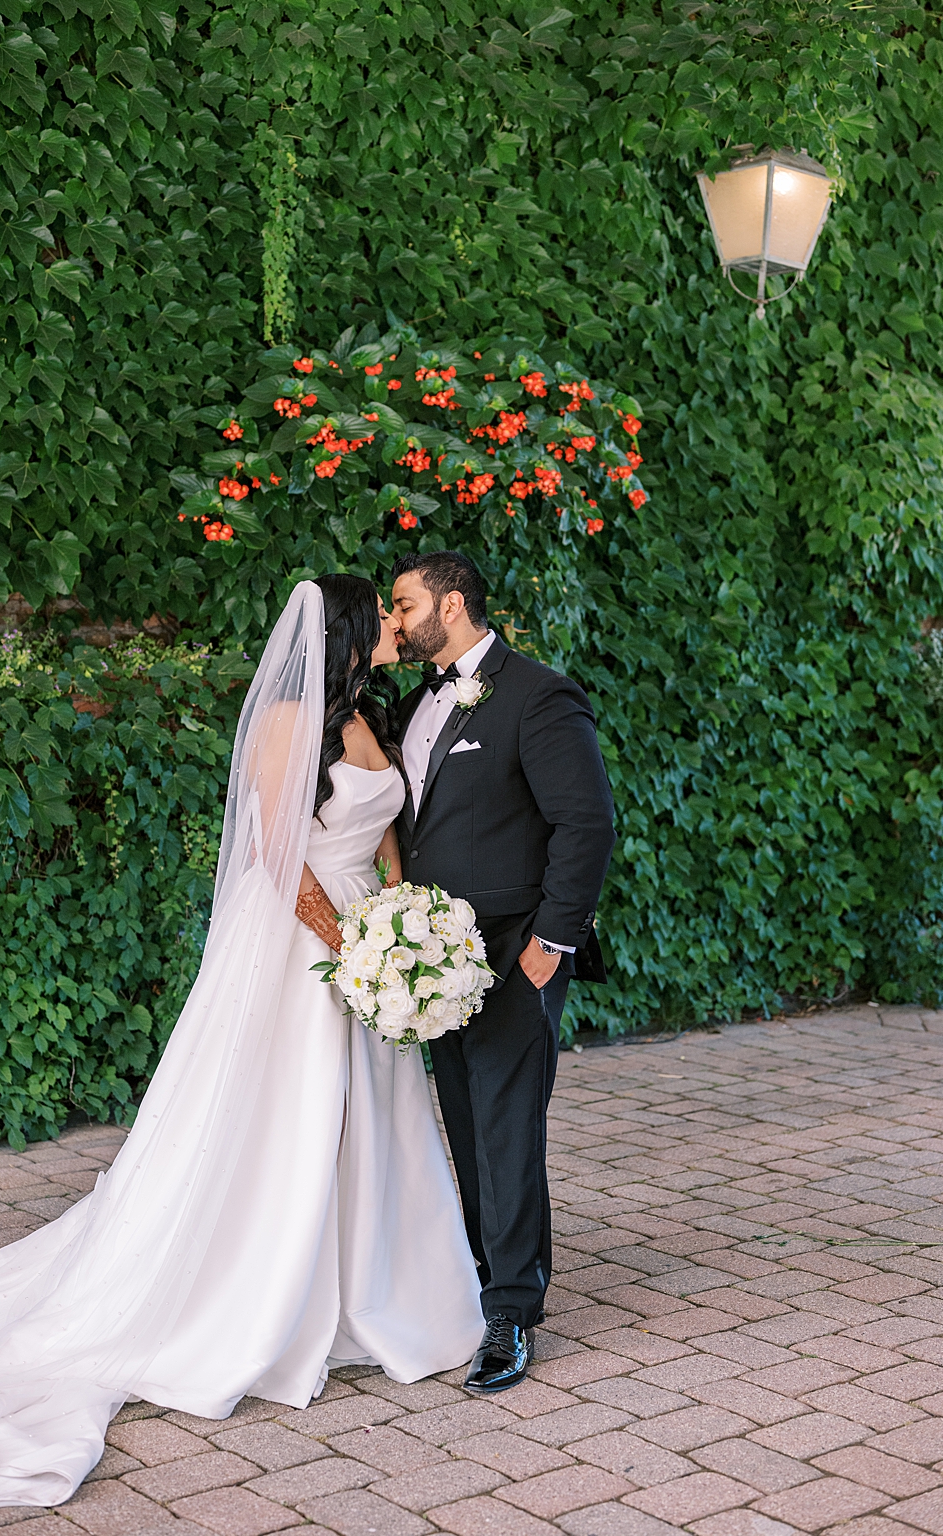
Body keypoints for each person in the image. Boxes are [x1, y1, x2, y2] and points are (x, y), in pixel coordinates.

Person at [0, 575, 482, 1512]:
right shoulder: (284, 723)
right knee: (287, 1121)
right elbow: (273, 850)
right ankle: (265, 1298)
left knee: (371, 1123)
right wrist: (352, 952)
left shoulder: (368, 716)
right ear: (347, 628)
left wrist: (399, 924)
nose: (394, 622)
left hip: (373, 938)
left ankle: (375, 1296)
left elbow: (385, 830)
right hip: (303, 947)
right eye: (381, 613)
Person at [389, 549, 615, 1393]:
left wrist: (546, 947)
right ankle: (489, 1282)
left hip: (516, 954)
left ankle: (512, 1314)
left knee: (507, 1130)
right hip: (434, 965)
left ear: (451, 605)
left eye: (405, 605)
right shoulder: (414, 702)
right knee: (466, 1124)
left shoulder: (537, 693)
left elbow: (586, 825)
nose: (397, 620)